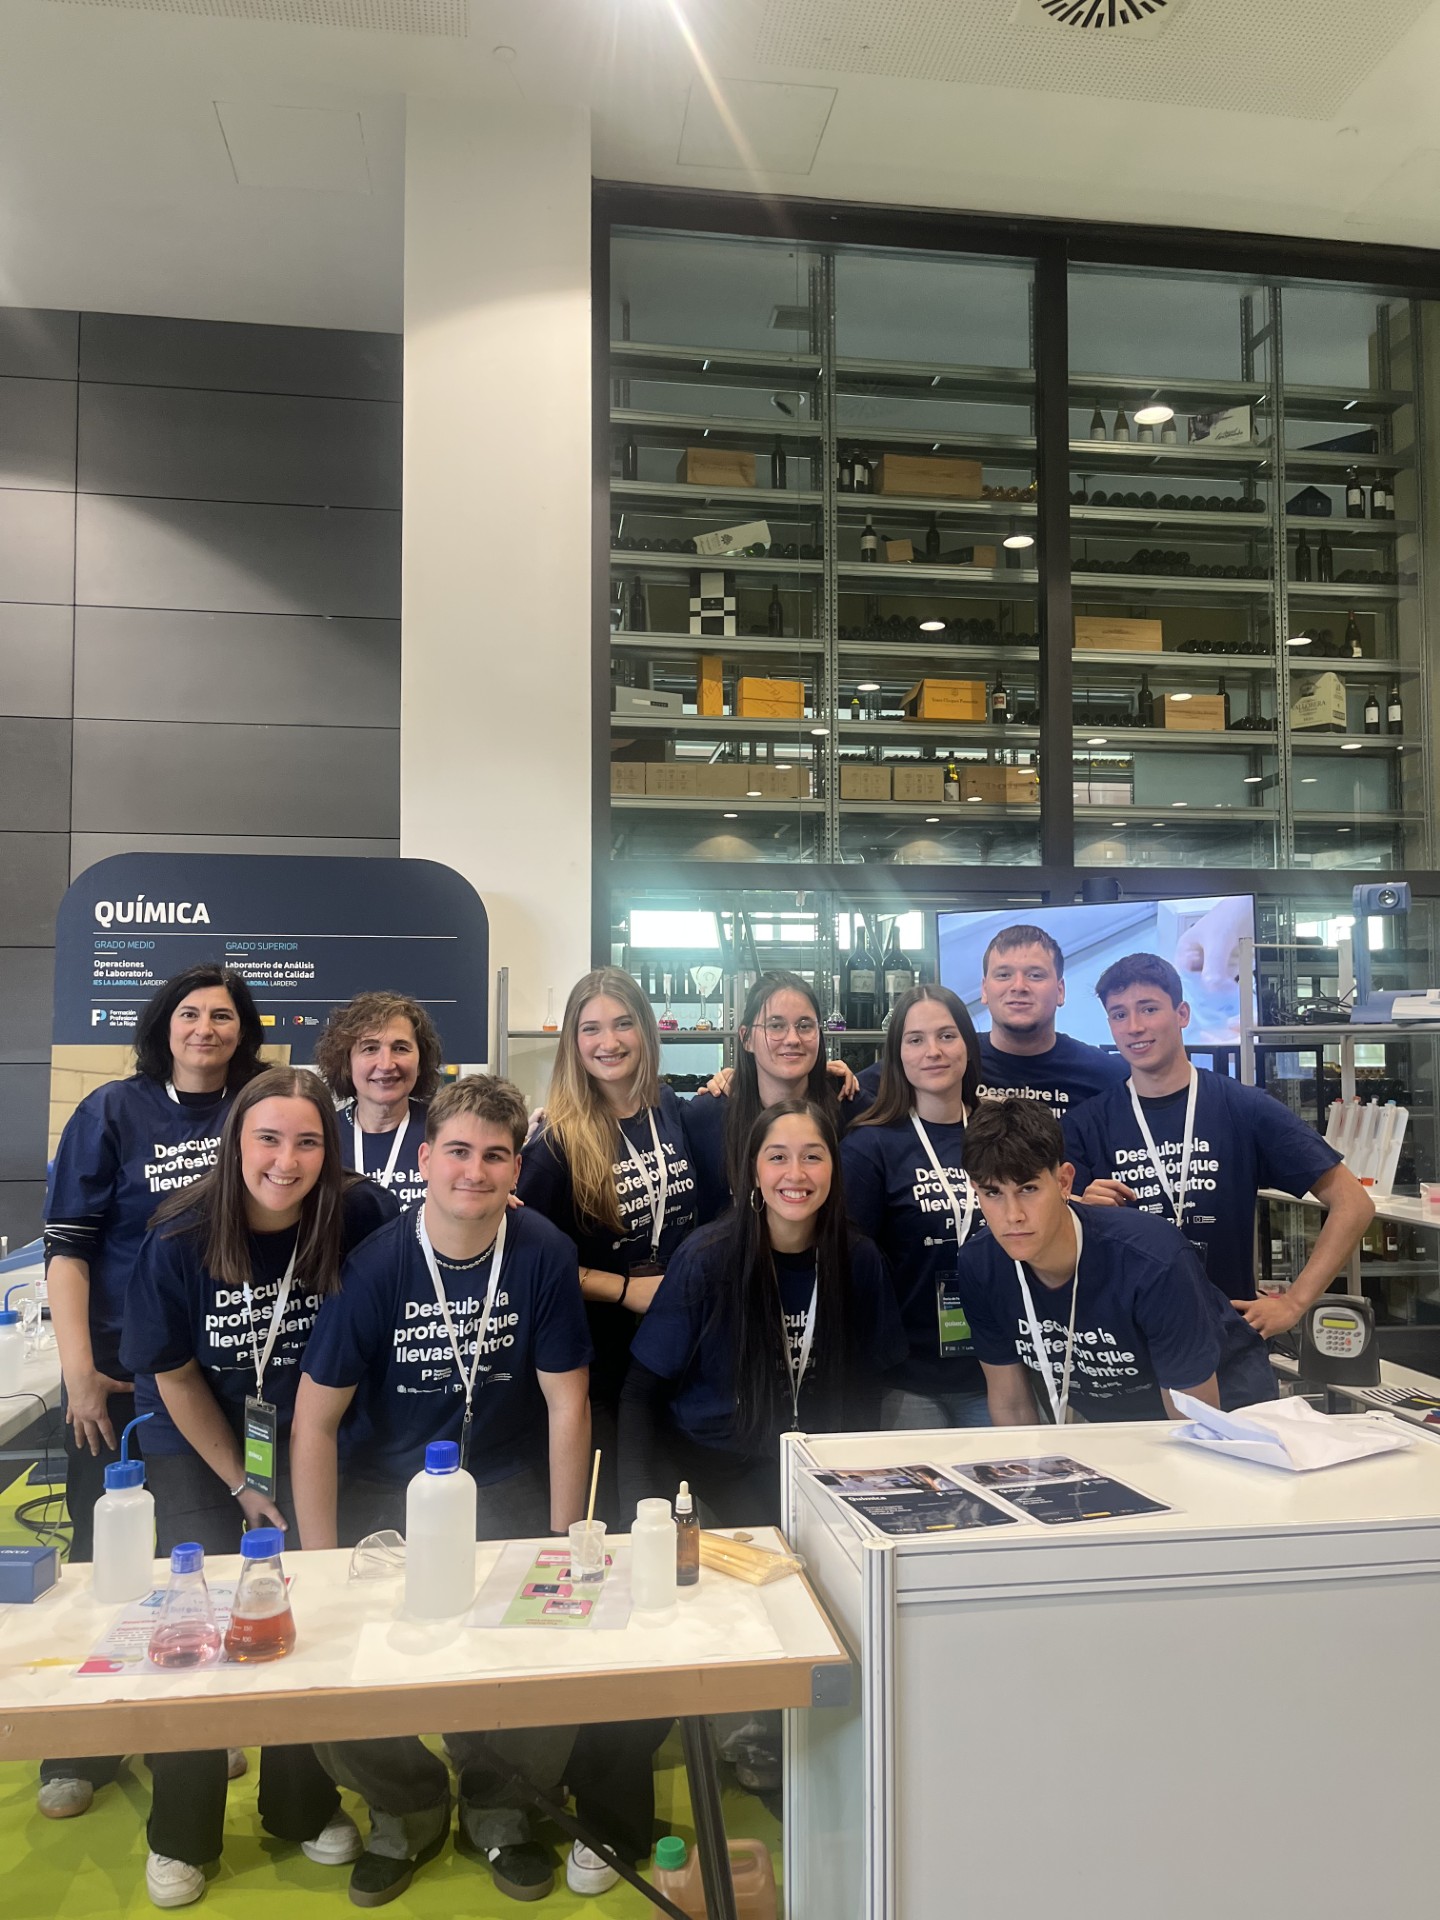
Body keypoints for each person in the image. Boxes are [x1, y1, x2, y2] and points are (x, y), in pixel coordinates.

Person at [291, 1075, 597, 1907]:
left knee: (546, 1645)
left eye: (495, 1155)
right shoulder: (376, 1264)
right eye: (458, 1151)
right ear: (425, 1160)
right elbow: (314, 1423)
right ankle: (406, 1806)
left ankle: (500, 1805)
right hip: (386, 1487)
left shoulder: (543, 1252)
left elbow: (567, 1404)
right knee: (336, 1658)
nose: (475, 1170)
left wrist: (562, 1540)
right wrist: (318, 1563)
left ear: (516, 1169)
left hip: (501, 1475)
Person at [120, 1066, 398, 1909]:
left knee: (307, 1607)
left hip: (313, 1437)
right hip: (199, 1437)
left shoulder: (358, 1212)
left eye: (308, 1142)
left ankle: (301, 1804)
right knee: (197, 1619)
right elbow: (172, 1373)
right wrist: (242, 1481)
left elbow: (427, 1253)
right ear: (234, 1141)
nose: (287, 1160)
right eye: (268, 1138)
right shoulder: (179, 1235)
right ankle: (181, 1832)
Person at [40, 963, 266, 1823]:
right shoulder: (112, 1111)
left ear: (244, 1029)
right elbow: (68, 1247)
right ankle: (84, 1739)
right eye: (190, 1013)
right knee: (109, 1556)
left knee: (205, 1556)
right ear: (164, 1025)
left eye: (223, 1015)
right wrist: (78, 1371)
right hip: (117, 1372)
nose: (206, 1028)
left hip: (227, 1371)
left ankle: (201, 1723)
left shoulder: (257, 1109)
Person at [620, 1099, 906, 1527]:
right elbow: (640, 1393)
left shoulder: (858, 1258)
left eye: (813, 1157)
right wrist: (638, 1513)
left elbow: (869, 1385)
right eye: (777, 1157)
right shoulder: (706, 1259)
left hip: (816, 1463)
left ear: (834, 1169)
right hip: (714, 1467)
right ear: (754, 1171)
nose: (796, 1174)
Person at [1063, 952, 1374, 1336]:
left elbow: (1353, 1203)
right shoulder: (1086, 1124)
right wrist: (1083, 1213)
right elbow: (1055, 1240)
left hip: (1227, 1340)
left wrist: (1294, 1303)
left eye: (1149, 1009)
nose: (1135, 1027)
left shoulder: (1244, 1107)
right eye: (1119, 1014)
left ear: (1182, 1014)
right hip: (1131, 1342)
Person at [955, 1099, 1276, 1425]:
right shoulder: (980, 1265)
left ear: (1064, 1182)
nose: (1013, 1216)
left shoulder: (1151, 1259)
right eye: (993, 1193)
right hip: (1114, 1421)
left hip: (1225, 1408)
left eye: (1028, 1189)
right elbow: (1011, 1404)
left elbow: (1194, 1421)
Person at [515, 968, 699, 1491]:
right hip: (598, 1366)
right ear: (573, 1042)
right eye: (591, 1028)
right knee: (619, 1509)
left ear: (645, 1029)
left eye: (622, 1024)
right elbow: (527, 1264)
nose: (609, 1042)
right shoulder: (554, 1144)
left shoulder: (669, 1111)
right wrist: (620, 1289)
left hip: (673, 1351)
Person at [842, 985, 991, 1430]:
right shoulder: (869, 1146)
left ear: (967, 1044)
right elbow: (851, 1270)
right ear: (897, 1054)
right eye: (915, 1039)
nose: (933, 1052)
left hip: (997, 1368)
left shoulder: (999, 1133)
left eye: (946, 1035)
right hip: (906, 1377)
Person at [684, 969, 856, 1222]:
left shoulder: (849, 1109)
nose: (793, 1039)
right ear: (746, 1039)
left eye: (805, 1026)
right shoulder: (706, 1118)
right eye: (776, 1026)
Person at [974, 923, 1129, 1118]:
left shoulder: (1108, 1077)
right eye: (1004, 975)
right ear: (984, 990)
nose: (1019, 986)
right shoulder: (957, 1065)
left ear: (1060, 991)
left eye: (1035, 975)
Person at [314, 991, 443, 1211]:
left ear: (421, 1062)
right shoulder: (322, 1135)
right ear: (347, 1063)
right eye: (370, 1048)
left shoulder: (445, 1131)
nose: (386, 1064)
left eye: (400, 1048)